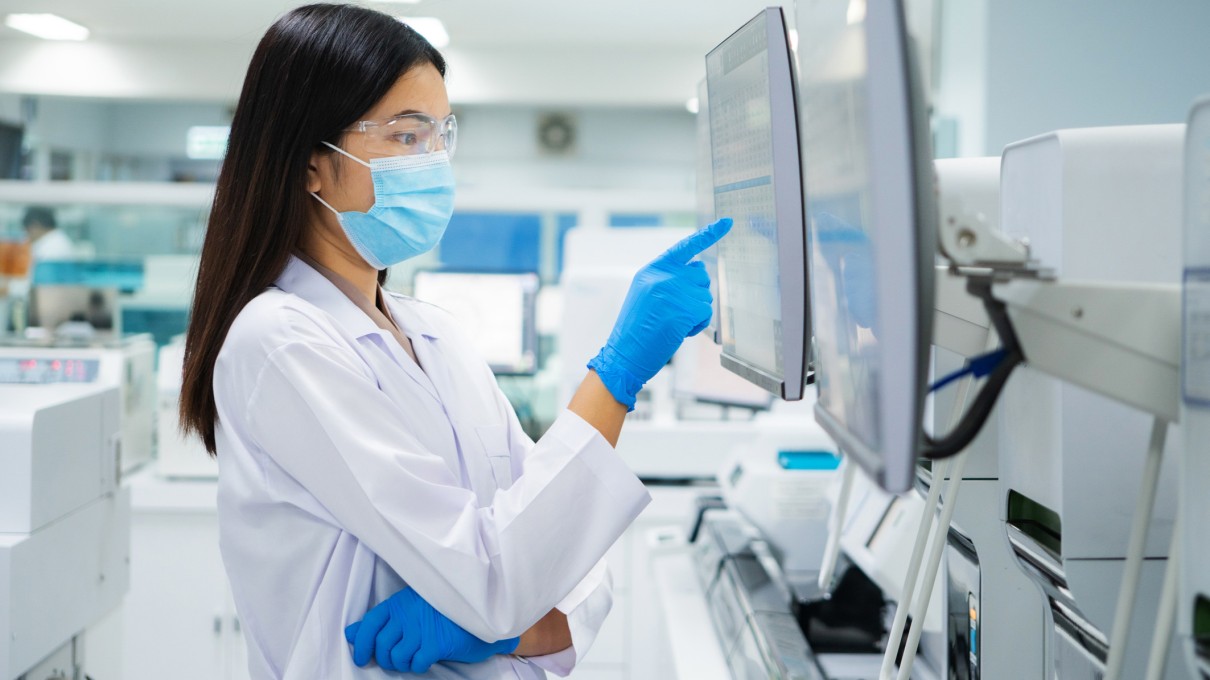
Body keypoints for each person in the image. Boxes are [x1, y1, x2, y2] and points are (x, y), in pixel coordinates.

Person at [177, 4, 730, 678]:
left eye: (442, 136)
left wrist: (501, 632)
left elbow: (569, 555)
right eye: (408, 138)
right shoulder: (282, 341)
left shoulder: (435, 333)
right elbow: (501, 577)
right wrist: (615, 372)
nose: (433, 161)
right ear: (310, 165)